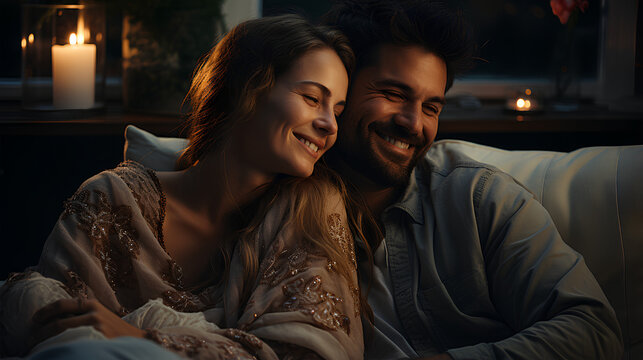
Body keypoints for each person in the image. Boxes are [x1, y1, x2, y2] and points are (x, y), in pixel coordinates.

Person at [0, 14, 364, 359]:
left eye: (338, 111)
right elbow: (61, 330)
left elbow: (304, 350)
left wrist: (142, 337)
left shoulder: (310, 212)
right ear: (246, 89)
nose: (329, 125)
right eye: (313, 98)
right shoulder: (114, 199)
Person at [322, 1, 624, 359]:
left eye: (431, 107)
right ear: (339, 90)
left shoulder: (483, 199)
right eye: (393, 94)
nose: (414, 124)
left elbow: (593, 330)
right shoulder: (285, 207)